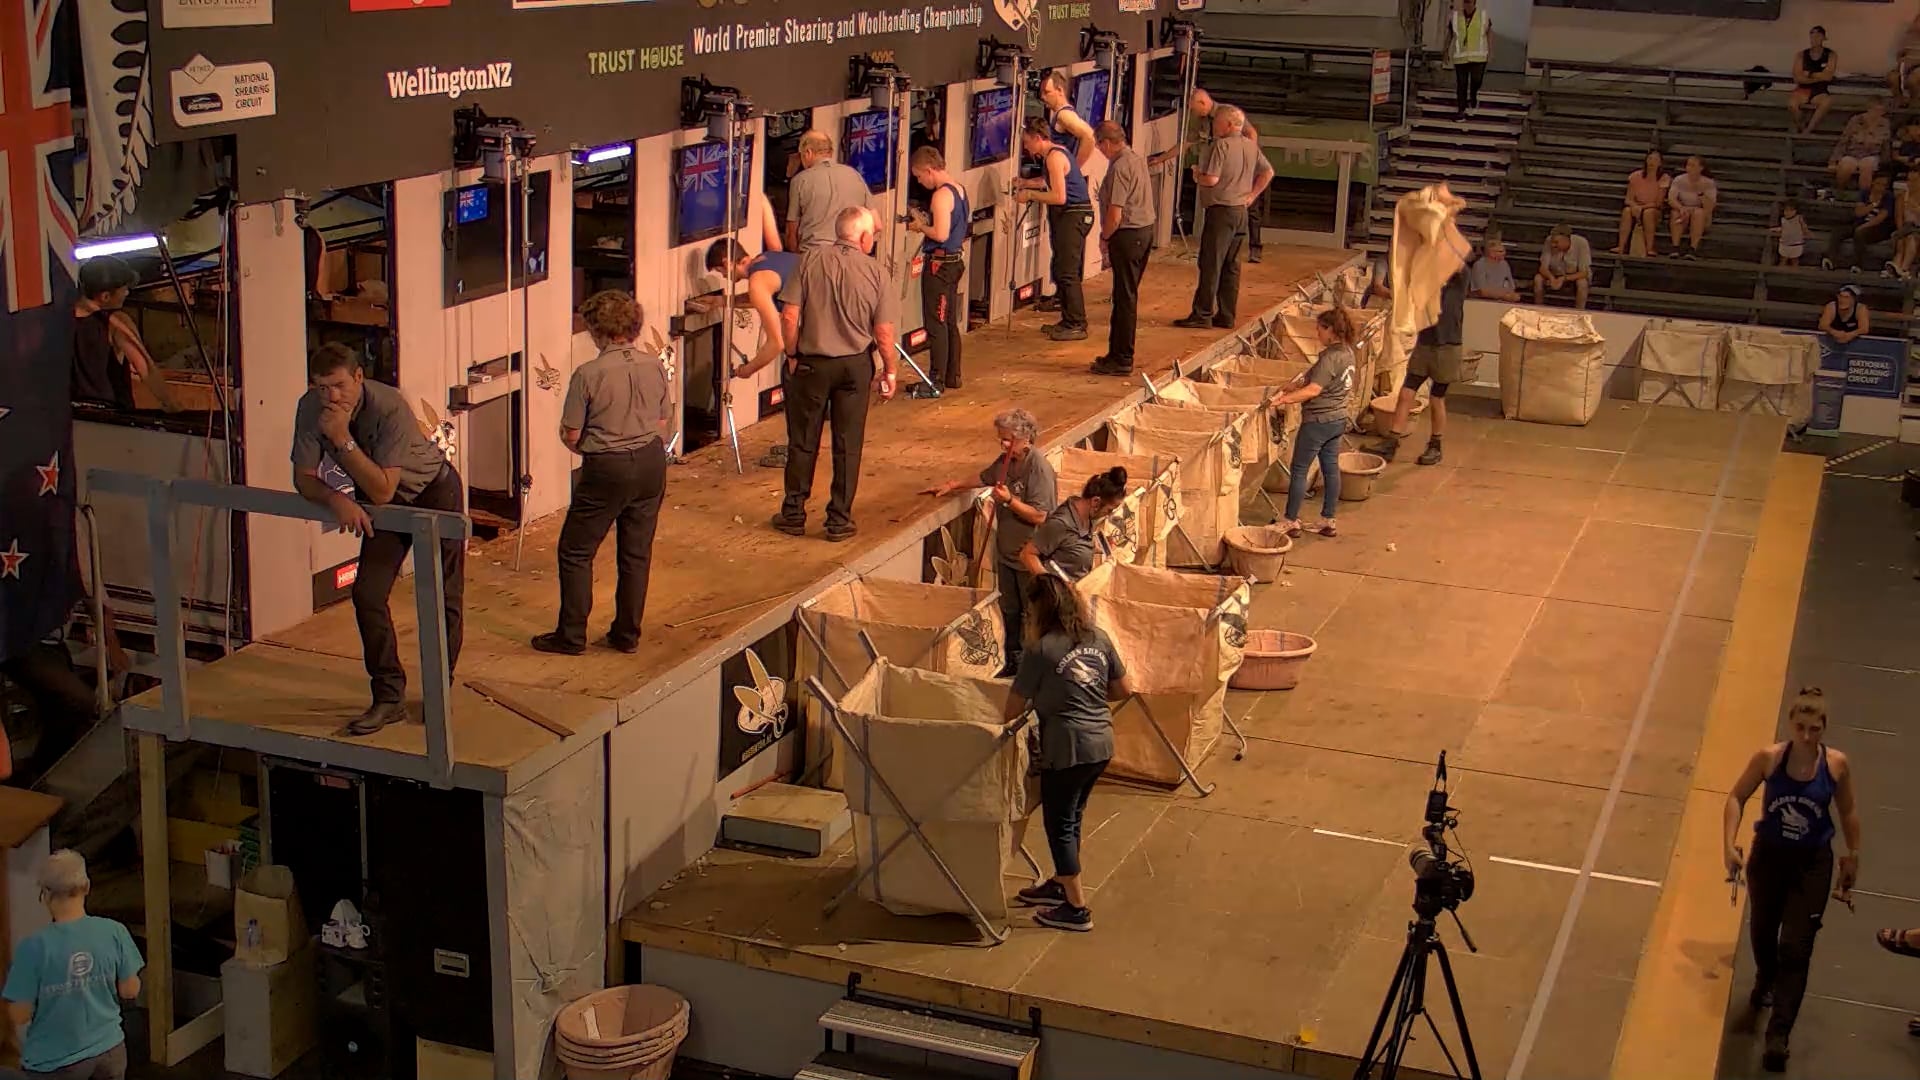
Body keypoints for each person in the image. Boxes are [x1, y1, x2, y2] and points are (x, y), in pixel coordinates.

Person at [292, 344, 462, 735]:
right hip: (380, 502)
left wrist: (340, 440)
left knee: (440, 595)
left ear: (358, 378)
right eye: (321, 388)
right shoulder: (309, 409)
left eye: (338, 386)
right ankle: (389, 697)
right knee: (367, 594)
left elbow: (385, 487)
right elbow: (302, 477)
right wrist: (336, 498)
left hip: (432, 492)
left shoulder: (388, 406)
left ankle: (439, 694)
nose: (331, 397)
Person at [1722, 688, 1860, 1072]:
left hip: (1811, 863)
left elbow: (1848, 811)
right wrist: (1728, 845)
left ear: (1823, 729)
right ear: (1790, 725)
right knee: (1763, 931)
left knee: (1796, 949)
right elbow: (1736, 796)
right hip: (1769, 857)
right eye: (1800, 727)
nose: (1806, 736)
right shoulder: (1769, 759)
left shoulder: (1835, 765)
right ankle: (1765, 977)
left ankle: (1778, 1035)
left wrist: (1853, 855)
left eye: (1814, 729)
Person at [532, 292, 671, 657]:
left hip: (607, 466)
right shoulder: (654, 365)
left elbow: (572, 434)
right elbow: (662, 420)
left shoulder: (588, 374)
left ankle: (571, 635)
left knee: (576, 551)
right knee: (636, 553)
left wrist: (591, 449)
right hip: (652, 461)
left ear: (598, 330)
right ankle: (626, 635)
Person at [1004, 574, 1130, 933]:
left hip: (1067, 747)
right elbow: (1123, 689)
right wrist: (1083, 696)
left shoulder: (1041, 650)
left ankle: (1076, 907)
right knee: (1073, 815)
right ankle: (1060, 881)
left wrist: (1055, 702)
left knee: (1058, 824)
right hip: (1101, 744)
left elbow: (1011, 709)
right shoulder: (1098, 638)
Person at [773, 207, 898, 541]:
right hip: (855, 367)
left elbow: (788, 316)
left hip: (812, 363)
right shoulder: (877, 272)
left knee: (803, 441)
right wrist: (891, 371)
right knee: (848, 444)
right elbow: (884, 334)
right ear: (864, 237)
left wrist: (792, 353)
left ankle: (793, 514)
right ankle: (839, 520)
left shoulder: (809, 260)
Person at [923, 409, 1057, 675]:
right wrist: (954, 485)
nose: (1003, 444)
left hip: (1028, 557)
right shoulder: (1006, 461)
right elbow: (986, 477)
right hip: (1008, 554)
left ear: (1026, 439)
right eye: (1001, 439)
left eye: (1008, 440)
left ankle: (1033, 666)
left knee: (1030, 613)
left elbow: (1041, 514)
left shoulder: (1038, 469)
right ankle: (1012, 660)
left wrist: (1009, 501)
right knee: (1009, 609)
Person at [2, 850, 143, 1080]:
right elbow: (130, 989)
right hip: (109, 1050)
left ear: (45, 894)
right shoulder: (114, 931)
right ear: (86, 887)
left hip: (53, 1063)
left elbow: (20, 1015)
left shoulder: (33, 947)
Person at [1176, 105, 1269, 331]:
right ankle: (1226, 315)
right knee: (1231, 265)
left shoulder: (1222, 145)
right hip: (1240, 211)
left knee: (1211, 262)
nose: (1213, 125)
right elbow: (1268, 172)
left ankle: (1202, 313)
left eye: (1217, 121)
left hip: (1221, 210)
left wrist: (1198, 175)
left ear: (1228, 124)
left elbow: (1212, 180)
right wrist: (1252, 196)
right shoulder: (1250, 146)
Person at [1276, 309, 1357, 538]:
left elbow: (1314, 389)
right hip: (1338, 419)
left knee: (1300, 468)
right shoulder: (1347, 353)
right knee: (1330, 468)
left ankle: (1290, 520)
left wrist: (1284, 400)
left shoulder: (1329, 358)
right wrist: (1290, 386)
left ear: (1330, 330)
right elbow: (1311, 379)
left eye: (1320, 328)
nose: (1317, 333)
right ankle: (1328, 519)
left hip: (1318, 421)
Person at [1377, 262, 1466, 467]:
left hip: (1447, 346)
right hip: (1425, 344)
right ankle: (1392, 441)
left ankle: (1435, 445)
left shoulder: (1458, 280)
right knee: (1406, 393)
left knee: (1437, 398)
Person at [1015, 119, 1095, 343]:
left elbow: (1058, 196)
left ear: (1039, 139)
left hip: (1074, 214)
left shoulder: (1054, 157)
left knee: (1068, 271)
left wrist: (1029, 195)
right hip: (1070, 215)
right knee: (1061, 268)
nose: (1026, 148)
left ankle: (1077, 323)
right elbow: (1049, 181)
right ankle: (1068, 319)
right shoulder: (1056, 154)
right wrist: (1026, 183)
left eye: (1027, 143)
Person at [70, 256, 176, 412]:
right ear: (105, 296)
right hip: (111, 417)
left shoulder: (58, 319)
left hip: (69, 415)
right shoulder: (116, 322)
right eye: (124, 289)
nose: (127, 293)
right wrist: (171, 404)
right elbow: (146, 369)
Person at [1093, 121, 1155, 377]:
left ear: (1106, 143)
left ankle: (1121, 358)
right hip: (1145, 231)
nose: (1099, 150)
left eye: (1099, 145)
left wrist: (1104, 237)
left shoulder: (1120, 166)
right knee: (1125, 296)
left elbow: (1115, 213)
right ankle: (1116, 353)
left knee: (1124, 298)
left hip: (1128, 236)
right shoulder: (1136, 158)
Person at [905, 146, 968, 390]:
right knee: (949, 321)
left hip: (939, 267)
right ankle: (953, 375)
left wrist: (920, 226)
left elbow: (940, 234)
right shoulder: (960, 189)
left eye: (919, 177)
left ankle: (935, 381)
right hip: (954, 262)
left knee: (936, 323)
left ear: (929, 170)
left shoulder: (941, 196)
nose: (920, 182)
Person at [1187, 90, 1267, 262]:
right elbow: (1188, 141)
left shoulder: (1228, 114)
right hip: (1219, 173)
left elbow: (1252, 133)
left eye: (1194, 109)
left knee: (1249, 209)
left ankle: (1255, 247)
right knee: (1231, 260)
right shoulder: (1203, 122)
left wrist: (1246, 156)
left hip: (1235, 169)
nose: (1193, 113)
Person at [1019, 468, 1130, 582]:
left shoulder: (1088, 516)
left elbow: (1071, 544)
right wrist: (1050, 585)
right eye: (1109, 510)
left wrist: (1096, 547)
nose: (1108, 515)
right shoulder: (1061, 524)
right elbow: (1027, 554)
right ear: (1095, 502)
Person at [785, 131, 870, 251]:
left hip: (813, 258)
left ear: (808, 152)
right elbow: (876, 224)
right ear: (830, 152)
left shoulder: (800, 180)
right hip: (849, 257)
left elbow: (791, 234)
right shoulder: (855, 175)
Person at [1823, 172, 1895, 273]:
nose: (1881, 187)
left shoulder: (1889, 197)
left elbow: (1881, 217)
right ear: (1873, 183)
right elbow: (1859, 213)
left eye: (1884, 185)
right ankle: (1830, 259)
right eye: (1879, 184)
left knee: (1859, 234)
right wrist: (1873, 204)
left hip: (1878, 228)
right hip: (1860, 223)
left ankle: (1858, 265)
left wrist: (1864, 226)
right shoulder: (1865, 193)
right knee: (1838, 231)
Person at [1611, 150, 1670, 257]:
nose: (1652, 162)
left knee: (1648, 213)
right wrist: (1634, 206)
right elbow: (1628, 199)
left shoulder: (1664, 178)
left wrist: (1642, 208)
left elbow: (1658, 203)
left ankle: (1649, 248)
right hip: (1636, 205)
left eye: (1655, 159)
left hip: (1653, 208)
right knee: (1627, 211)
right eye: (1650, 158)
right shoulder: (1635, 176)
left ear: (1660, 163)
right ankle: (1621, 246)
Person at [1039, 69, 1097, 168]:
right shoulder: (1062, 114)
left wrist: (1074, 169)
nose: (1042, 97)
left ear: (1060, 90)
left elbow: (1089, 136)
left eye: (1046, 92)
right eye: (1041, 93)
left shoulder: (1064, 115)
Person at [1830, 99, 1890, 194]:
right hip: (1852, 152)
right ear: (1868, 109)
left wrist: (1885, 161)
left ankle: (1863, 196)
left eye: (1881, 111)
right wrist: (1834, 160)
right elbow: (1844, 140)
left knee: (1866, 165)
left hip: (1872, 154)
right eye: (1875, 110)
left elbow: (1886, 144)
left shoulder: (1885, 123)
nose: (1877, 113)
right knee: (1846, 165)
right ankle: (1840, 191)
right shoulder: (1855, 120)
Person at [1445, 0, 1492, 117]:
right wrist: (1445, 50)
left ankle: (1473, 96)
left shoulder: (1483, 15)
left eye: (1469, 2)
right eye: (1465, 2)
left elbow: (1489, 32)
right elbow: (1450, 34)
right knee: (1461, 83)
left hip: (1479, 56)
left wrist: (1490, 52)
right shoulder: (1456, 17)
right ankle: (1461, 109)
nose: (1467, 5)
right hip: (1460, 56)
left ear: (1474, 3)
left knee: (1476, 80)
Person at [1788, 26, 1837, 135]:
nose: (1814, 39)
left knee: (1826, 103)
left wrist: (1809, 74)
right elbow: (1797, 77)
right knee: (1792, 105)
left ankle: (1808, 130)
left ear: (1824, 38)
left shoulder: (1831, 55)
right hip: (1803, 89)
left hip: (1820, 90)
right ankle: (1802, 127)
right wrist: (1818, 76)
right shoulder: (1801, 55)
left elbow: (1828, 76)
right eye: (1812, 36)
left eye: (1818, 36)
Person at [1668, 156, 1719, 259]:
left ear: (1701, 168)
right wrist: (1681, 207)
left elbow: (1709, 207)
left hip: (1700, 212)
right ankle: (1675, 247)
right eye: (1688, 165)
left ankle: (1692, 249)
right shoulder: (1679, 179)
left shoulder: (1708, 183)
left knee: (1698, 213)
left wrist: (1700, 193)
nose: (1689, 167)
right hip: (1684, 209)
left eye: (1693, 165)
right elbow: (1671, 199)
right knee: (1676, 213)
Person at [1532, 224, 1592, 309]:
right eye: (1552, 242)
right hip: (1554, 274)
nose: (1553, 245)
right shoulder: (1548, 241)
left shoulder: (1582, 243)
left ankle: (1579, 311)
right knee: (1538, 279)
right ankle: (1538, 308)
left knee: (1582, 283)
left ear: (1567, 240)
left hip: (1573, 277)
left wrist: (1564, 279)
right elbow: (1543, 268)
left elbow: (1584, 272)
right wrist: (1551, 278)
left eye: (1556, 242)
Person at [1891, 171, 1920, 278]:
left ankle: (1904, 268)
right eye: (1909, 180)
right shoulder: (1902, 197)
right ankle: (1897, 266)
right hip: (1907, 228)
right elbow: (1899, 218)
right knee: (1902, 239)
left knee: (1912, 238)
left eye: (1915, 181)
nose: (1911, 183)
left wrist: (1917, 209)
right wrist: (1901, 231)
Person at [1775, 199, 1809, 267]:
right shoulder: (1783, 219)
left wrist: (1806, 232)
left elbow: (1804, 227)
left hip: (1796, 243)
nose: (1787, 212)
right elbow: (1784, 228)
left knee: (1795, 260)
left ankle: (1794, 274)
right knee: (1783, 260)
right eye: (1786, 210)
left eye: (1791, 210)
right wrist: (1776, 229)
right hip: (1785, 243)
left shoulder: (1799, 218)